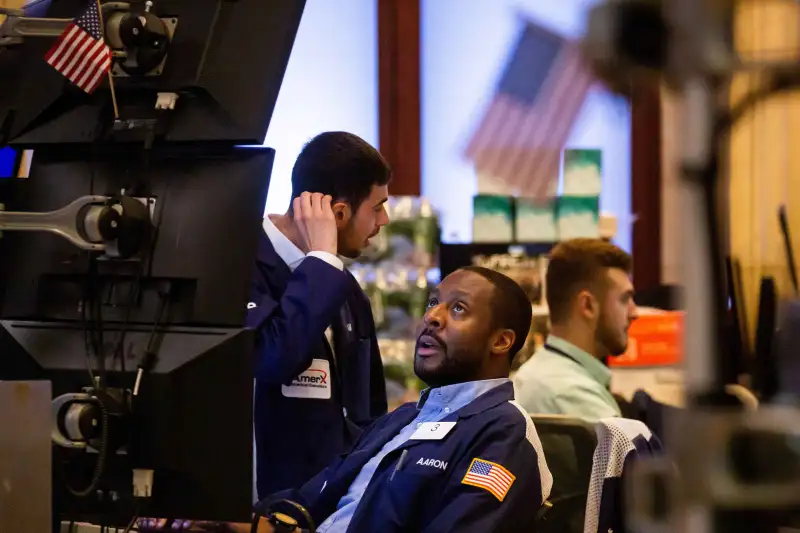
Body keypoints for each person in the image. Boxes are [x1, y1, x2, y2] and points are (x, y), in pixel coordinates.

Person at [245, 266, 553, 533]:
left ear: (501, 341)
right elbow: (310, 497)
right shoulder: (400, 420)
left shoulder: (503, 432)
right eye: (433, 303)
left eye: (458, 308)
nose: (432, 317)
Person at [248, 132, 391, 497]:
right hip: (260, 512)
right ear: (338, 213)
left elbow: (368, 411)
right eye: (377, 207)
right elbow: (272, 358)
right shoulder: (241, 263)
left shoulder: (344, 285)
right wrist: (323, 259)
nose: (385, 219)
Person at [513, 238, 638, 421]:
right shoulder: (572, 394)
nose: (634, 313)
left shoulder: (536, 374)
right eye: (624, 299)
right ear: (587, 306)